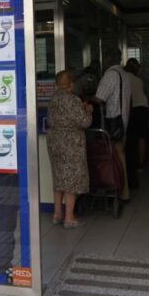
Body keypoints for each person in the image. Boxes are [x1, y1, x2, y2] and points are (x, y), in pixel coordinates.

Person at [47, 70, 93, 228]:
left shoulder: (53, 98)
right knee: (71, 179)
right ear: (72, 84)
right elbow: (84, 122)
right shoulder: (72, 100)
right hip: (70, 143)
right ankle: (69, 217)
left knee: (59, 178)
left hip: (54, 142)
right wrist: (88, 111)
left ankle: (57, 213)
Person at [89, 48, 133, 201]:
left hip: (113, 121)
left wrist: (88, 98)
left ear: (107, 60)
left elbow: (100, 99)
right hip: (123, 120)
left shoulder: (110, 75)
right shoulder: (124, 74)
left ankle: (120, 191)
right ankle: (123, 190)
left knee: (116, 157)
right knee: (120, 156)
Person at [124, 59, 149, 188]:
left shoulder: (123, 77)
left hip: (133, 109)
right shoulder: (138, 80)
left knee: (132, 138)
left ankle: (132, 163)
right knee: (142, 137)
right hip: (143, 107)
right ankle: (141, 164)